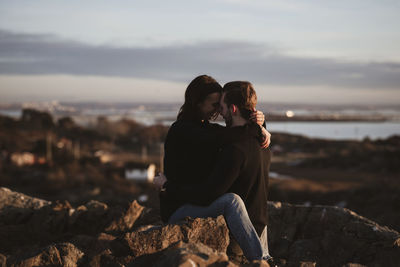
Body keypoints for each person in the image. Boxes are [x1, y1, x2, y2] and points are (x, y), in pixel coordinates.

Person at [155, 77, 272, 261]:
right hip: (180, 207)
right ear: (197, 103)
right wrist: (258, 130)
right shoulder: (182, 130)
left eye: (220, 105)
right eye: (214, 105)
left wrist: (260, 124)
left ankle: (262, 256)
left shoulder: (206, 128)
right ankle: (261, 260)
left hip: (199, 202)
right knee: (231, 201)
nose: (218, 110)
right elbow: (224, 137)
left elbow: (232, 134)